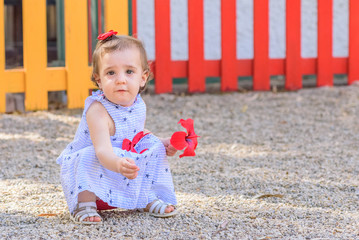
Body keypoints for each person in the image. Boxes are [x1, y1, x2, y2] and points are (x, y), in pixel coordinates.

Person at [57, 31, 178, 224]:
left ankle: (145, 196)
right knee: (88, 156)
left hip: (124, 167)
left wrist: (162, 143)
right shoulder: (97, 110)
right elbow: (103, 150)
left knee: (153, 147)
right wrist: (118, 164)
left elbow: (137, 135)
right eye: (111, 73)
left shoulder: (138, 104)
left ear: (143, 78)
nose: (120, 79)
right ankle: (84, 204)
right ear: (99, 80)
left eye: (129, 71)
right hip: (98, 174)